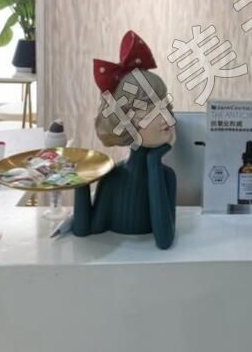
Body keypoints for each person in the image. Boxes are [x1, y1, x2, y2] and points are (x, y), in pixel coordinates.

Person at [72, 30, 177, 249]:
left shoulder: (167, 176)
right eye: (151, 110)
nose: (167, 118)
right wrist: (80, 181)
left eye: (165, 106)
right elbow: (88, 229)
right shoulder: (113, 177)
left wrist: (154, 162)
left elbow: (164, 240)